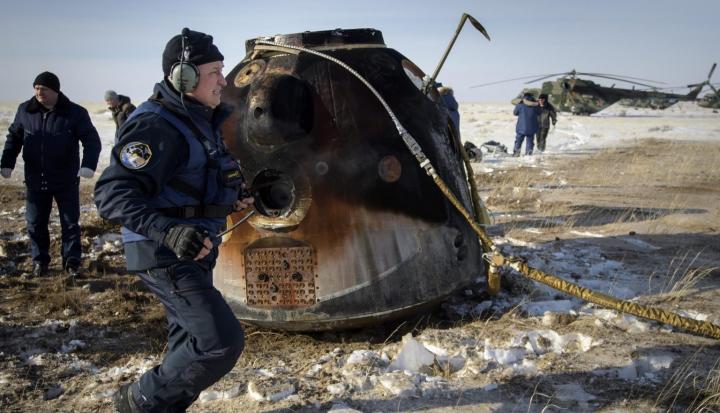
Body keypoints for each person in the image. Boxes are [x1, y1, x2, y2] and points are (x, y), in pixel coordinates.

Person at [94, 28, 253, 413]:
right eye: (215, 71)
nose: (224, 80)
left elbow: (194, 186)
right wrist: (169, 230)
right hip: (164, 252)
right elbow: (111, 194)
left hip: (194, 250)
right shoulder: (156, 125)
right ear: (184, 76)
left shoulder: (200, 122)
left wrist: (241, 196)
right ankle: (137, 402)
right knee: (219, 341)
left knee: (190, 346)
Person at [1, 71, 101, 277]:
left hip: (65, 178)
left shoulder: (75, 113)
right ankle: (40, 261)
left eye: (44, 89)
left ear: (55, 91)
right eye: (36, 88)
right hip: (35, 179)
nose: (39, 92)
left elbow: (91, 140)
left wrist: (88, 165)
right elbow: (14, 138)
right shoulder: (25, 111)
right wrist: (7, 163)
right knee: (35, 223)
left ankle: (72, 262)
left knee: (70, 223)